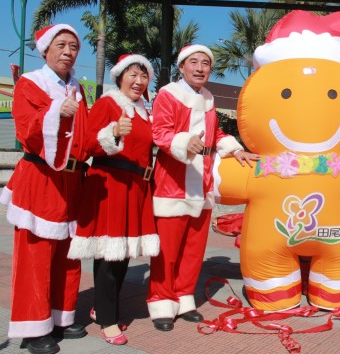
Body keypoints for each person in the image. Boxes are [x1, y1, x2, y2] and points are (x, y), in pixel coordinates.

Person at [147, 44, 259, 331]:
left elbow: (217, 133)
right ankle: (161, 300)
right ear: (182, 67)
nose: (200, 68)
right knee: (167, 249)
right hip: (173, 182)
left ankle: (184, 297)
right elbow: (159, 132)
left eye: (205, 63)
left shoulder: (208, 98)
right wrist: (185, 142)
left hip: (202, 183)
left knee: (194, 248)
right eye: (194, 62)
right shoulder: (168, 95)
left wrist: (235, 150)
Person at [0, 24, 88, 354]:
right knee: (34, 256)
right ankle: (34, 327)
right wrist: (55, 112)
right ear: (46, 49)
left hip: (70, 184)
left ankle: (60, 316)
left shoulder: (77, 89)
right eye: (62, 45)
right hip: (40, 180)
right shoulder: (30, 84)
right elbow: (27, 131)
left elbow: (84, 136)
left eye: (73, 47)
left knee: (67, 255)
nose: (68, 51)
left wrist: (109, 136)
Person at [67, 54, 160, 345]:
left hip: (136, 187)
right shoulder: (109, 103)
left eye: (143, 76)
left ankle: (101, 308)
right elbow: (89, 144)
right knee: (108, 254)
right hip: (111, 184)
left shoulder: (145, 111)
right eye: (133, 74)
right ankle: (108, 319)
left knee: (123, 254)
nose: (138, 81)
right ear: (120, 77)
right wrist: (113, 132)